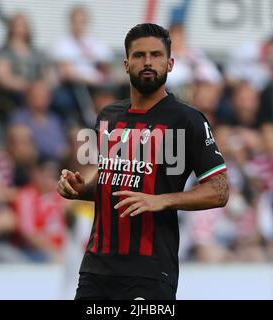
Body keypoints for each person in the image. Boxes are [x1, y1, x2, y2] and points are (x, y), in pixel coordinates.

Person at [56, 23, 229, 300]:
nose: (147, 62)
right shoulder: (108, 116)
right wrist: (81, 188)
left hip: (150, 271)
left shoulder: (188, 120)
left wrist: (161, 200)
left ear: (170, 63)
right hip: (96, 268)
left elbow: (220, 190)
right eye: (139, 55)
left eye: (156, 55)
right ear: (126, 64)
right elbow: (113, 180)